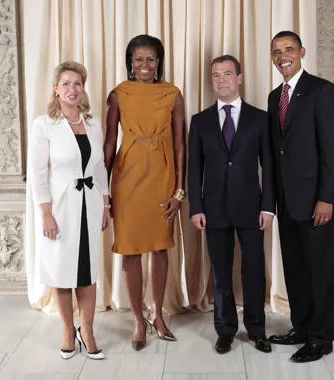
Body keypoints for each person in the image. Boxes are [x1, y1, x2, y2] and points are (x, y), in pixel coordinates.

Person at [103, 34, 186, 351]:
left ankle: (157, 313)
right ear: (130, 62)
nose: (145, 65)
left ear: (159, 62)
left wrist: (180, 190)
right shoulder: (118, 94)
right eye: (138, 59)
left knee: (160, 247)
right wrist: (104, 193)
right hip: (126, 181)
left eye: (151, 58)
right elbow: (110, 143)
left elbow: (180, 144)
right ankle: (138, 318)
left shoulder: (173, 94)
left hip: (162, 178)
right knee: (131, 249)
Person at [266, 31, 334, 363]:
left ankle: (320, 337)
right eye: (276, 52)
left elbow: (333, 149)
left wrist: (326, 198)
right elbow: (276, 152)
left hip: (316, 203)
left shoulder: (321, 90)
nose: (283, 56)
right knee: (296, 269)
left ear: (302, 52)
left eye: (288, 50)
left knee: (320, 271)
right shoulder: (274, 97)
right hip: (288, 202)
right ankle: (300, 327)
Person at [188, 55, 275, 354]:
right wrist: (196, 207)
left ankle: (256, 330)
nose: (221, 80)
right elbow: (194, 169)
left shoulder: (260, 119)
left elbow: (270, 167)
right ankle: (224, 329)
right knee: (220, 273)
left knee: (253, 272)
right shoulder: (199, 121)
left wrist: (268, 207)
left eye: (227, 74)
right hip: (213, 210)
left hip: (252, 208)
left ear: (239, 78)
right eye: (215, 75)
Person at [26, 61, 111, 360]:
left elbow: (99, 167)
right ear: (55, 88)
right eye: (66, 84)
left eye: (77, 83)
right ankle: (67, 330)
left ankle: (87, 331)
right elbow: (37, 172)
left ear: (83, 88)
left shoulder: (93, 122)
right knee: (62, 270)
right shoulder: (44, 124)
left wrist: (106, 202)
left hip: (89, 203)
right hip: (60, 206)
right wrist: (45, 213)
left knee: (87, 271)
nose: (72, 89)